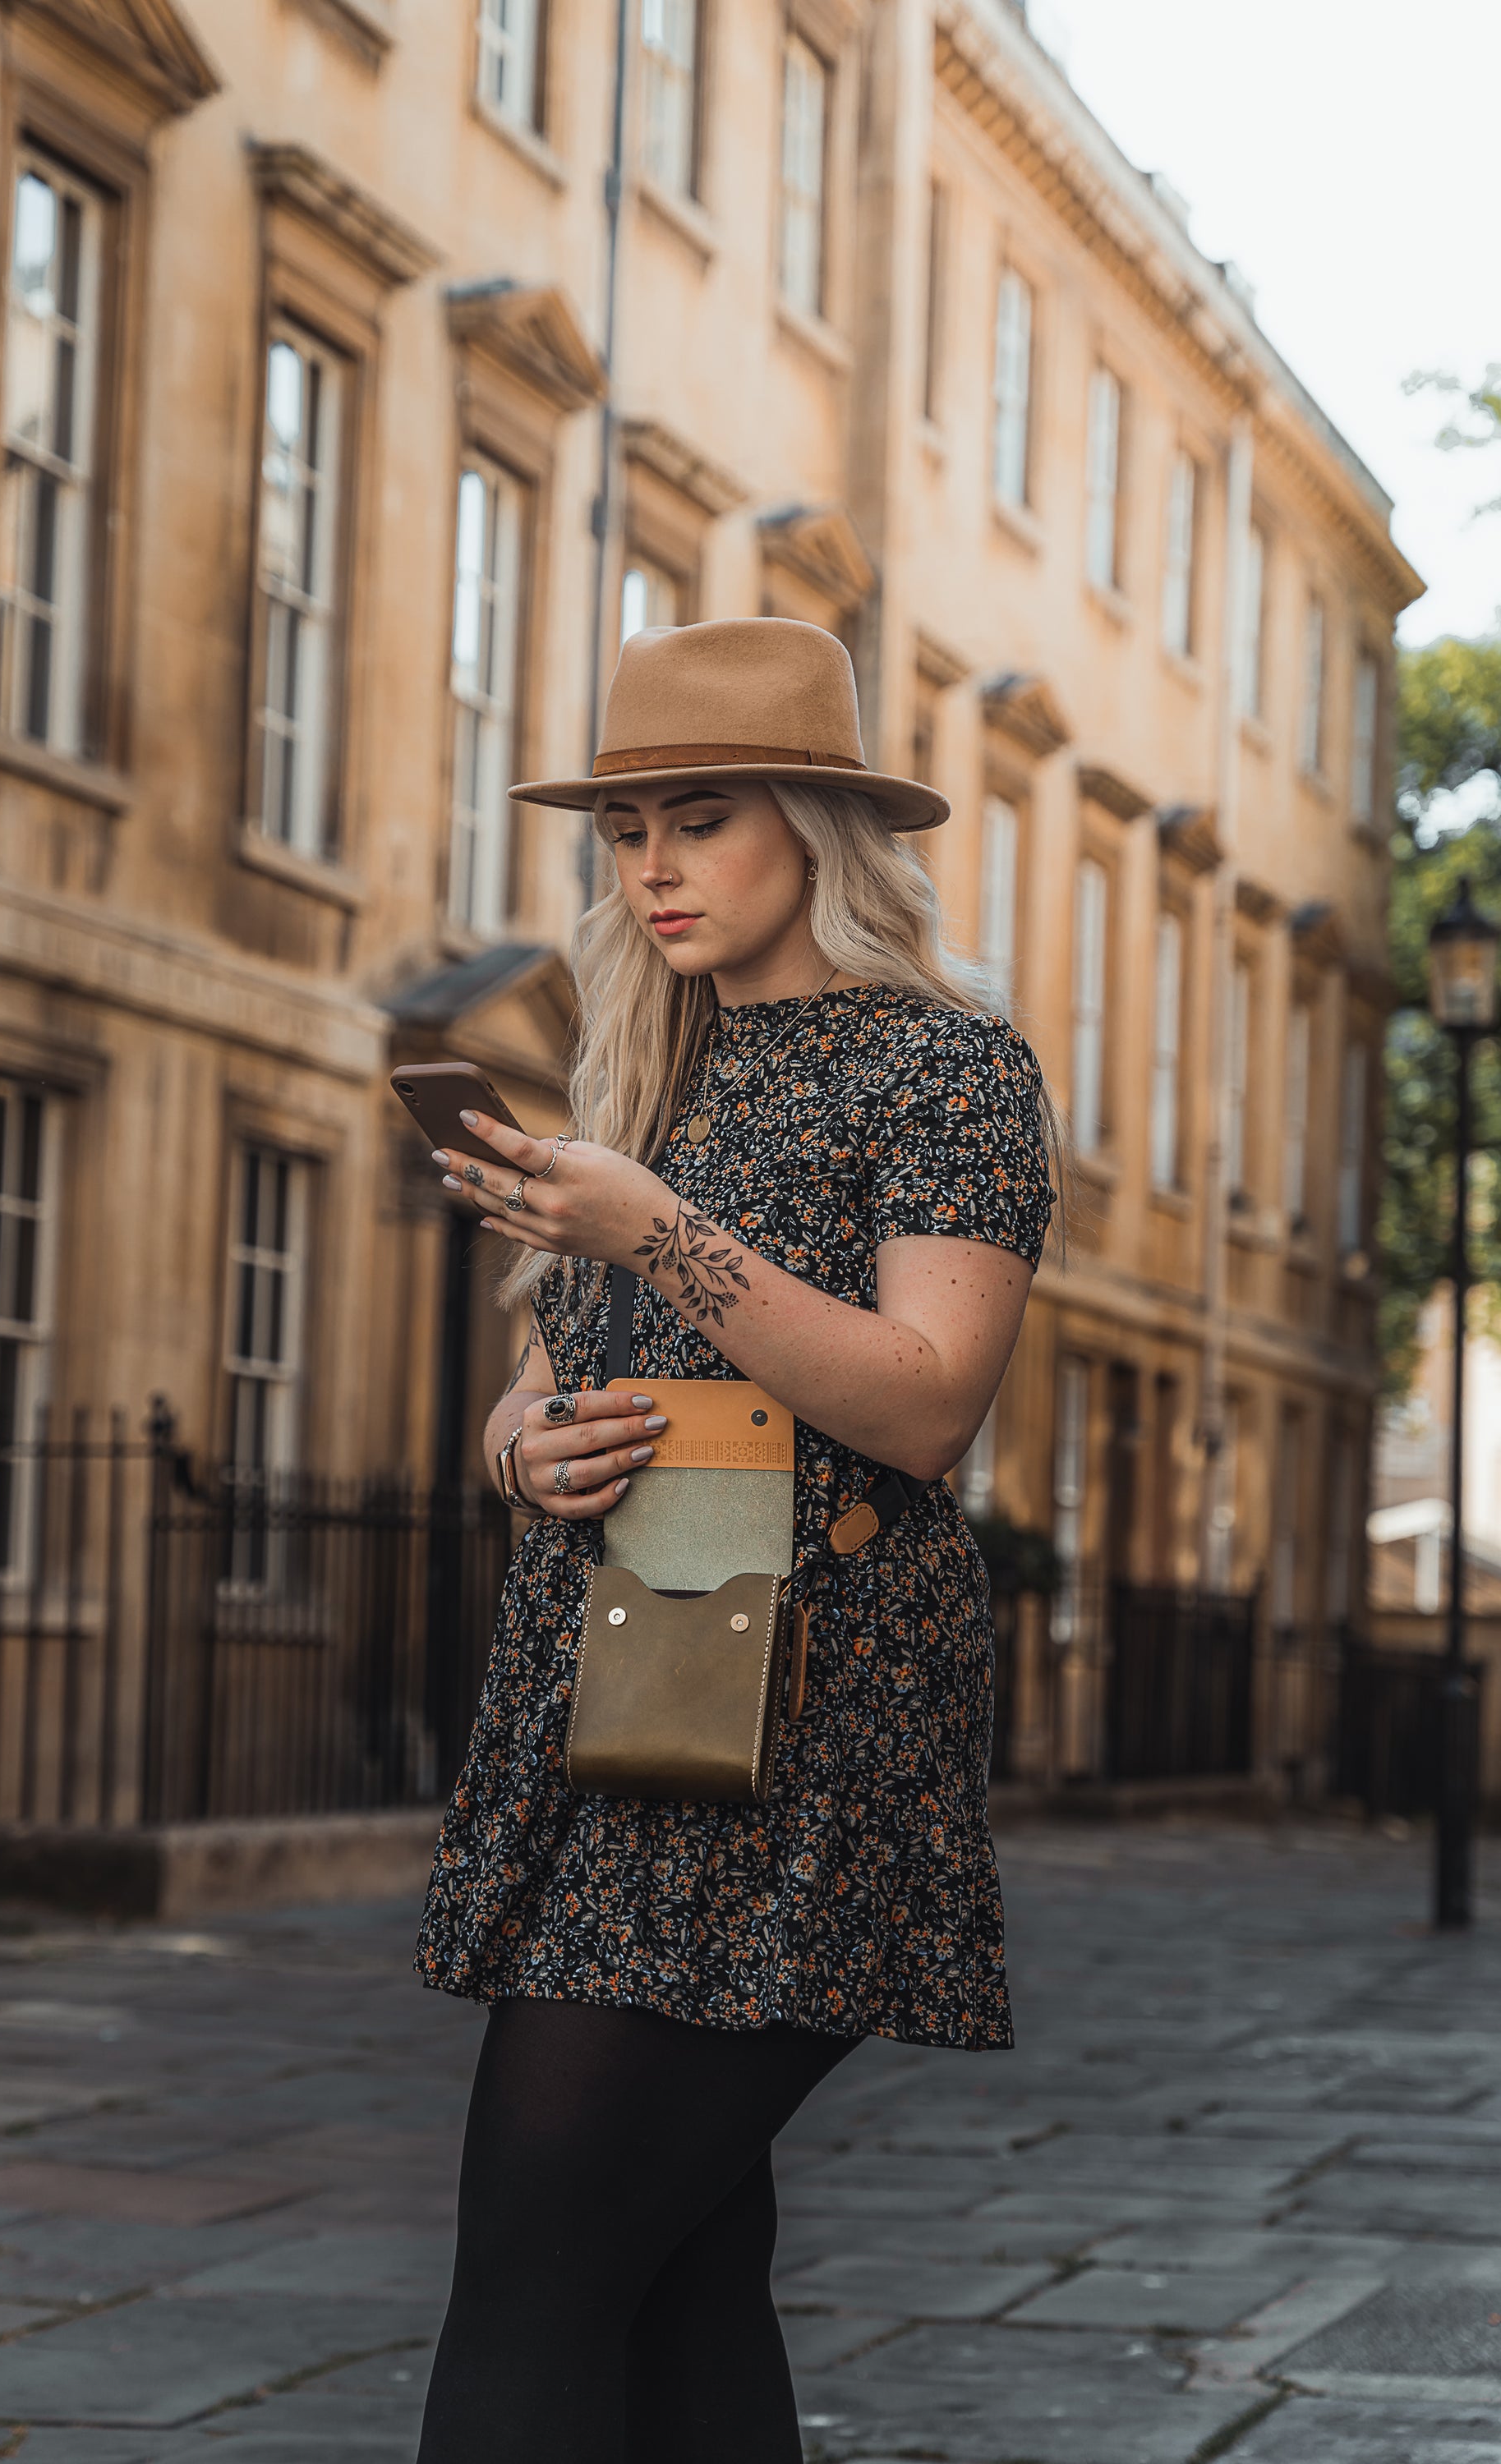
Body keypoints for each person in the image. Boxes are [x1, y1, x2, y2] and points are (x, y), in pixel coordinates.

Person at [414, 618, 1057, 2463]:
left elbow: (930, 1399)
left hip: (799, 1728)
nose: (656, 866)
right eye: (626, 830)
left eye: (699, 818)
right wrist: (531, 1452)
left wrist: (650, 1232)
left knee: (531, 2276)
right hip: (610, 1697)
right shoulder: (651, 1080)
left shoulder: (946, 1072)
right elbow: (536, 1395)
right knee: (681, 2282)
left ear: (817, 829)